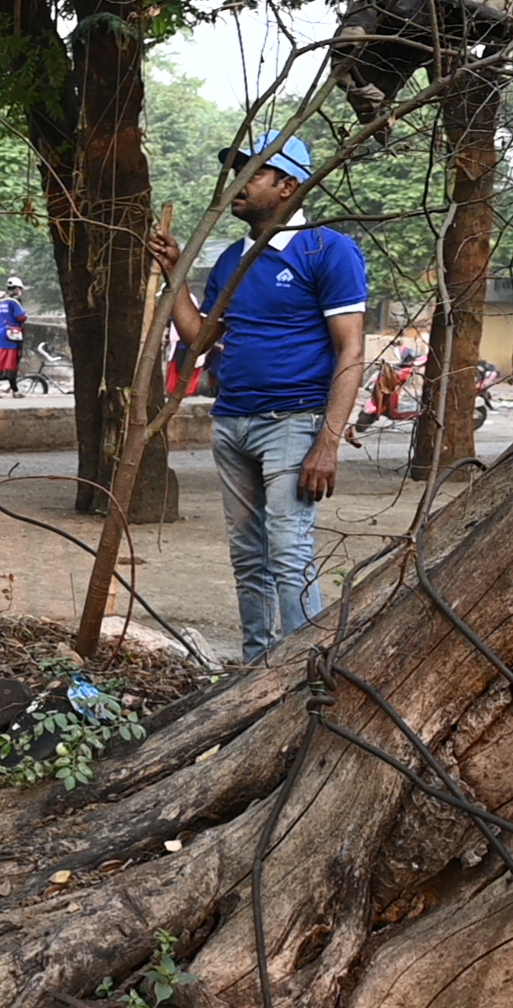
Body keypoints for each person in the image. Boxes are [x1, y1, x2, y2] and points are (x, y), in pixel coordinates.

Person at [149, 131, 367, 663]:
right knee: (249, 557)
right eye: (237, 172)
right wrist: (176, 272)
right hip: (232, 423)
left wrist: (328, 442)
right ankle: (256, 669)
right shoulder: (232, 260)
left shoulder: (327, 250)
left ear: (288, 185)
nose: (238, 184)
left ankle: (302, 670)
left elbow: (351, 350)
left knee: (289, 553)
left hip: (294, 421)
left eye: (253, 173)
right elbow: (199, 337)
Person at [0, 276, 28, 398]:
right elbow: (21, 317)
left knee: (0, 363)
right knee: (11, 363)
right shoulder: (14, 302)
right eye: (20, 289)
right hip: (11, 335)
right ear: (17, 289)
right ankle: (15, 391)